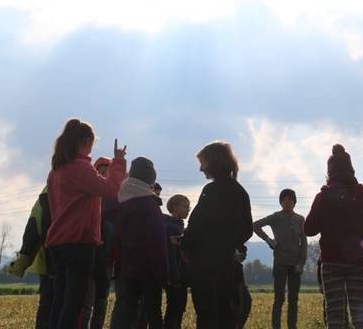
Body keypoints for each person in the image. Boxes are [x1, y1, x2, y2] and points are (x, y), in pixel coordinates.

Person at [45, 119, 126, 329]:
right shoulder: (81, 167)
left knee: (60, 299)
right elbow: (110, 190)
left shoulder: (56, 170)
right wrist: (118, 162)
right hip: (78, 241)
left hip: (57, 241)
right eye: (93, 141)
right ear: (86, 141)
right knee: (74, 303)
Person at [304, 144, 363, 329]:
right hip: (358, 262)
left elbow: (308, 229)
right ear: (351, 169)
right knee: (360, 313)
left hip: (331, 262)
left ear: (329, 172)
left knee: (334, 313)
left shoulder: (322, 198)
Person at [180, 141, 253, 328]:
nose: (200, 168)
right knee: (227, 316)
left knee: (207, 317)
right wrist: (231, 244)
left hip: (205, 267)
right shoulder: (240, 192)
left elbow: (196, 226)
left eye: (202, 162)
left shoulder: (211, 191)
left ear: (213, 162)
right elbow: (247, 229)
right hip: (229, 266)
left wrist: (184, 245)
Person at [106, 157, 167, 329]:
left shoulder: (121, 203)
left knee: (128, 309)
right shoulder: (149, 205)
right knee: (154, 312)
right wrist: (162, 272)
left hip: (127, 266)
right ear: (150, 181)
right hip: (150, 268)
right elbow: (157, 243)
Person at [253, 188, 308, 329]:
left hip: (296, 265)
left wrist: (301, 263)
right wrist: (269, 240)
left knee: (293, 299)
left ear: (294, 202)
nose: (287, 202)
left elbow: (304, 243)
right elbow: (255, 226)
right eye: (284, 200)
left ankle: (292, 326)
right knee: (279, 299)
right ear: (280, 202)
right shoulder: (276, 217)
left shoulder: (300, 219)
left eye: (290, 199)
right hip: (280, 263)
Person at [7, 188, 54, 329]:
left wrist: (23, 260)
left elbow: (33, 228)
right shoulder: (82, 182)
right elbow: (33, 228)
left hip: (46, 262)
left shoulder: (47, 190)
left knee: (47, 305)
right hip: (57, 261)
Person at [81, 157, 116, 329]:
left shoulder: (114, 199)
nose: (104, 175)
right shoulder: (88, 196)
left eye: (107, 172)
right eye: (101, 172)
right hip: (90, 255)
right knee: (87, 302)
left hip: (107, 259)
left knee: (101, 303)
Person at [163, 194, 191, 329]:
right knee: (175, 308)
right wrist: (175, 276)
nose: (188, 209)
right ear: (174, 207)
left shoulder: (179, 227)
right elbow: (171, 255)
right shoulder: (170, 228)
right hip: (176, 275)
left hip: (180, 274)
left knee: (178, 308)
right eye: (185, 206)